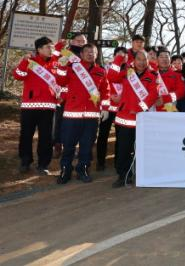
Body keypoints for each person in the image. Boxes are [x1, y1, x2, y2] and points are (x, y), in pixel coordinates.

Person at [55, 43, 109, 184]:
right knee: (68, 145)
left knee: (87, 146)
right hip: (72, 114)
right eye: (87, 52)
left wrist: (105, 108)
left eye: (93, 52)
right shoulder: (72, 67)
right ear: (81, 54)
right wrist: (61, 66)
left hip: (92, 116)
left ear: (96, 55)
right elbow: (60, 81)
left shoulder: (101, 71)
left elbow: (105, 91)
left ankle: (83, 170)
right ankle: (65, 170)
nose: (90, 54)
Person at [107, 50, 159, 187]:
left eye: (144, 59)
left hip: (142, 119)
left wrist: (139, 108)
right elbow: (111, 77)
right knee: (123, 150)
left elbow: (153, 95)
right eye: (139, 59)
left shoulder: (152, 76)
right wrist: (118, 60)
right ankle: (124, 176)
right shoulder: (127, 72)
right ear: (134, 60)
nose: (141, 62)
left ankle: (143, 175)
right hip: (124, 119)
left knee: (142, 150)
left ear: (148, 61)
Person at [13, 36, 60, 175]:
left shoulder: (56, 63)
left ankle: (43, 164)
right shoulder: (30, 61)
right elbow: (18, 75)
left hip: (49, 107)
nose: (51, 49)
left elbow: (61, 82)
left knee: (46, 137)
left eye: (52, 47)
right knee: (26, 135)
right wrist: (24, 61)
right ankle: (25, 162)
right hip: (29, 106)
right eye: (48, 47)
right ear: (39, 49)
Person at [97, 46, 128, 171]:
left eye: (124, 55)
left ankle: (118, 162)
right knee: (103, 135)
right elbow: (102, 85)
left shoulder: (130, 70)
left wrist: (122, 97)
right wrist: (109, 98)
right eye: (119, 54)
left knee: (121, 137)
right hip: (108, 107)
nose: (121, 57)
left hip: (122, 107)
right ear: (114, 56)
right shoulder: (106, 68)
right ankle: (100, 162)